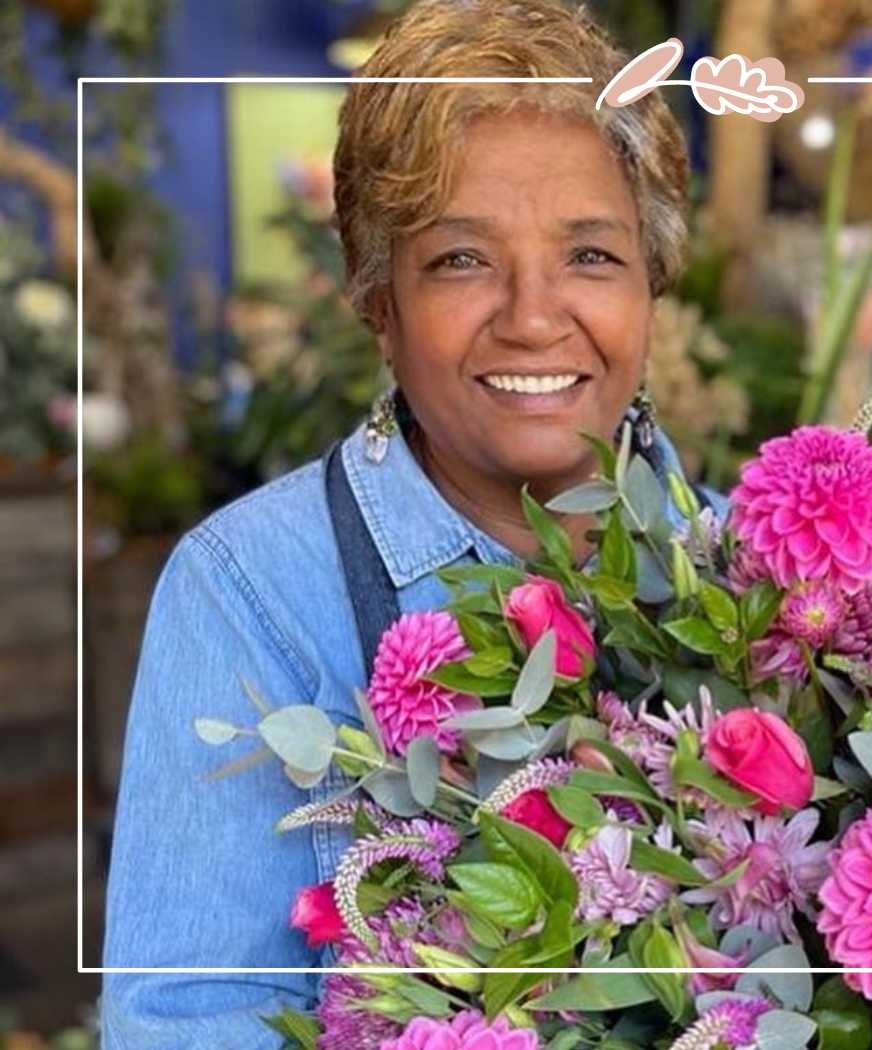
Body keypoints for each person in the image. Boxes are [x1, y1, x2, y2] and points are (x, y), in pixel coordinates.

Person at [100, 1, 722, 1044]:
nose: (532, 315)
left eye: (591, 257)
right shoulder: (249, 591)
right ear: (377, 303)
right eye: (461, 260)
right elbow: (188, 1018)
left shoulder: (767, 578)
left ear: (652, 290)